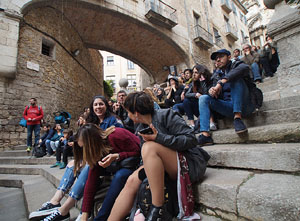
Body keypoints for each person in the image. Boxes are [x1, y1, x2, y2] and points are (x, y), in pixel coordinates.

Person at [108, 92, 210, 221]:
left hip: (189, 163)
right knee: (132, 179)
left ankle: (157, 209)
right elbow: (144, 157)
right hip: (163, 165)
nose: (127, 115)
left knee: (149, 147)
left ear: (136, 113)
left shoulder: (166, 114)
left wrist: (158, 138)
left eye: (128, 112)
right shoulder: (140, 127)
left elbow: (191, 139)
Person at [29, 95, 124, 221]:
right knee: (73, 164)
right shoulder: (92, 121)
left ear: (106, 106)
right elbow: (85, 143)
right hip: (94, 156)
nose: (98, 107)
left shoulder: (114, 121)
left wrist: (86, 160)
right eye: (95, 105)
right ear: (92, 107)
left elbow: (114, 145)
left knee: (89, 166)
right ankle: (55, 201)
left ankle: (65, 209)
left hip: (109, 159)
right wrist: (81, 159)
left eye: (101, 104)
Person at [79, 123, 141, 221]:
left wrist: (118, 156)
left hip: (136, 164)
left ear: (91, 143)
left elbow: (139, 150)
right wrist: (84, 215)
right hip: (119, 167)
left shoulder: (116, 135)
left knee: (120, 176)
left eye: (83, 147)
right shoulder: (97, 150)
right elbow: (91, 182)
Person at [197, 49, 255, 146]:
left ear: (229, 57)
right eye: (216, 59)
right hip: (228, 107)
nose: (218, 60)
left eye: (221, 57)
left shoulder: (237, 64)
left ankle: (237, 118)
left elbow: (245, 68)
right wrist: (212, 91)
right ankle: (206, 135)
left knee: (234, 79)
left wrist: (221, 82)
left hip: (245, 105)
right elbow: (212, 92)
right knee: (203, 98)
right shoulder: (216, 75)